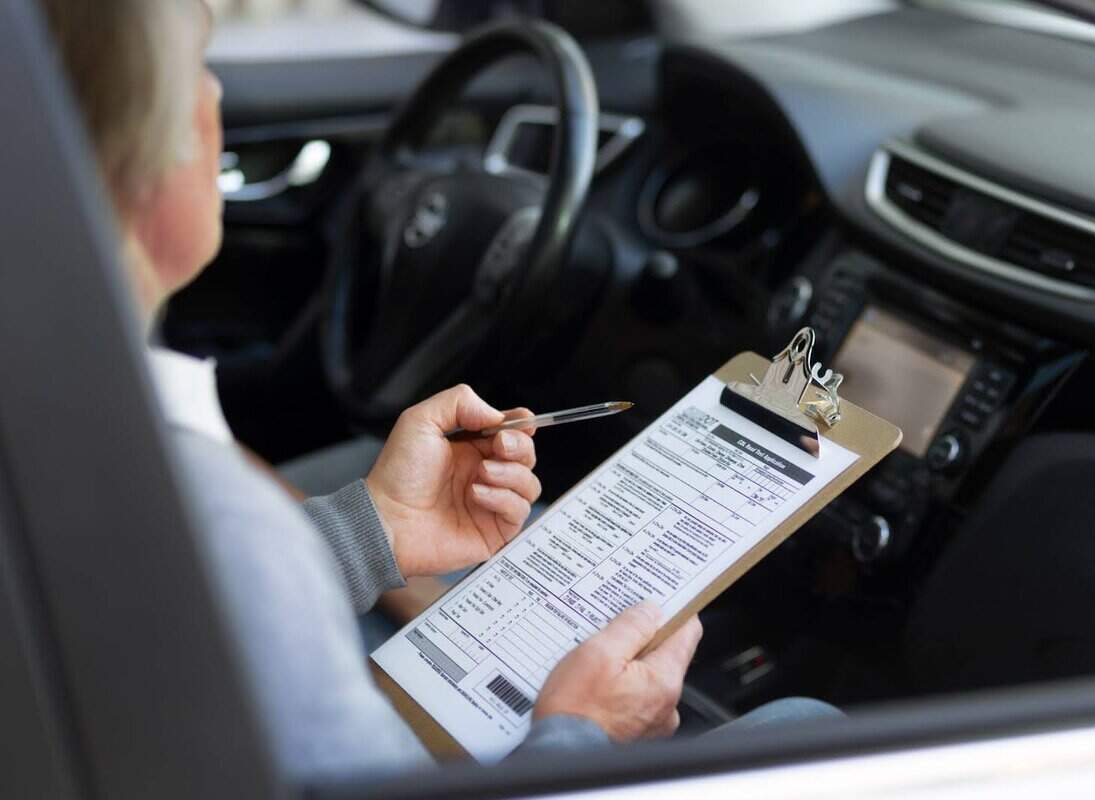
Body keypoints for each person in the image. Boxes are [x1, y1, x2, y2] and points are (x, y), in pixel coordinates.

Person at [39, 0, 835, 786]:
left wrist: (371, 531)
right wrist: (584, 735)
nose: (213, 97)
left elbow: (170, 615)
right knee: (811, 727)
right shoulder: (218, 521)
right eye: (194, 74)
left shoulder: (71, 443)